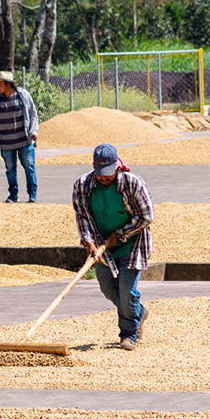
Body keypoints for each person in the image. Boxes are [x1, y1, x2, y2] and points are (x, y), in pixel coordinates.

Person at [72, 144, 153, 351]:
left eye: (108, 175)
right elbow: (82, 218)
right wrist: (89, 242)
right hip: (102, 245)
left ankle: (128, 334)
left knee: (127, 291)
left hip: (132, 243)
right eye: (101, 176)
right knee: (108, 288)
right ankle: (139, 312)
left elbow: (146, 216)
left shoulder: (133, 184)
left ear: (118, 166)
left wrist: (121, 234)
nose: (105, 179)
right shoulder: (82, 186)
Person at [0, 70, 39, 203]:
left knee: (29, 167)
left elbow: (33, 115)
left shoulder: (23, 95)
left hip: (25, 140)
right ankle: (13, 195)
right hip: (6, 143)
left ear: (8, 84)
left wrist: (33, 131)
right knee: (10, 170)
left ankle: (32, 194)